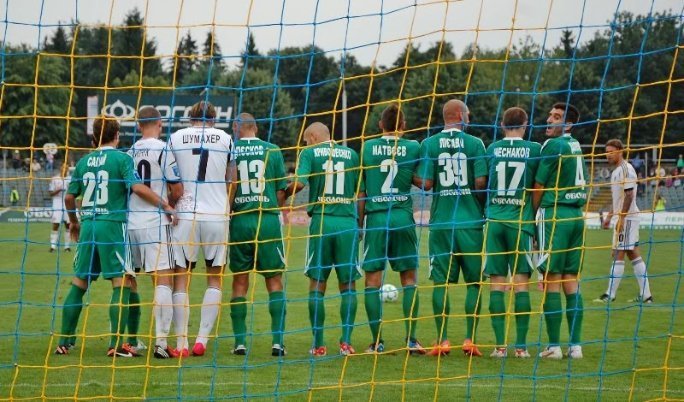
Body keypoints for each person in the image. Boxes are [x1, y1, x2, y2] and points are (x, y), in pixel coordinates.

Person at [55, 115, 177, 357]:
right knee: (122, 283)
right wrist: (165, 205)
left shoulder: (84, 162)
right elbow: (137, 187)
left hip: (88, 225)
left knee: (79, 283)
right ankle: (117, 344)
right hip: (112, 226)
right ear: (117, 135)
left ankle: (64, 341)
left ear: (94, 137)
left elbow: (69, 197)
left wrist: (74, 222)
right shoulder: (122, 158)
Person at [414, 99, 487, 357]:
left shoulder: (429, 144)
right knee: (474, 283)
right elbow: (481, 182)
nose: (470, 117)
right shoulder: (476, 143)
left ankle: (443, 340)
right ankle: (469, 340)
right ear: (459, 114)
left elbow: (426, 183)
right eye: (468, 113)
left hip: (442, 223)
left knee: (440, 283)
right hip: (470, 223)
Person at [285, 122, 364, 356]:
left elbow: (299, 183)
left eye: (306, 140)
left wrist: (281, 192)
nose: (305, 144)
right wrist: (360, 224)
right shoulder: (351, 154)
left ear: (313, 136)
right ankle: (346, 342)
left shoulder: (309, 153)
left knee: (317, 284)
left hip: (322, 222)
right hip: (347, 222)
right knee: (348, 285)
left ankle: (319, 344)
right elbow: (360, 192)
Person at [168, 100, 235, 357]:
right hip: (216, 214)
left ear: (190, 118)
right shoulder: (226, 139)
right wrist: (227, 207)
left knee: (181, 278)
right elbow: (232, 178)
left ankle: (182, 343)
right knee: (215, 277)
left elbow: (170, 178)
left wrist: (170, 204)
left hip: (186, 213)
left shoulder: (175, 138)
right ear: (214, 119)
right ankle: (202, 340)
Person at [360, 104, 425, 354]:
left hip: (377, 218)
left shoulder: (367, 147)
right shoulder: (414, 147)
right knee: (409, 279)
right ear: (404, 125)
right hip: (402, 217)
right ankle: (412, 340)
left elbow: (361, 192)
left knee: (372, 281)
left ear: (380, 125)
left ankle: (377, 342)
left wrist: (359, 225)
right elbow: (421, 180)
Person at [228, 113, 288, 357]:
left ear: (236, 127)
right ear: (256, 127)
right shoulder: (273, 150)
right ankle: (278, 343)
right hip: (267, 220)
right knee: (274, 280)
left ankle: (240, 342)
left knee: (240, 281)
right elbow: (282, 190)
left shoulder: (231, 150)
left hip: (241, 220)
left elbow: (229, 186)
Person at [127, 106, 184, 358]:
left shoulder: (129, 153)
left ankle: (127, 339)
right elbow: (177, 189)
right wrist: (169, 205)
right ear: (160, 124)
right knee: (163, 280)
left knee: (128, 281)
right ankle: (161, 342)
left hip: (131, 223)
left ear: (139, 126)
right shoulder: (164, 149)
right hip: (155, 223)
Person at [484, 107, 541, 358]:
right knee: (521, 285)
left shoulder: (492, 149)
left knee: (496, 284)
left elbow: (483, 183)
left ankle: (499, 347)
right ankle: (521, 347)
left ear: (502, 124)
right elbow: (539, 186)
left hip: (495, 222)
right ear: (525, 124)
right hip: (520, 223)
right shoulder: (534, 149)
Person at [533, 102, 588, 359]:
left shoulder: (553, 145)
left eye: (556, 117)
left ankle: (554, 346)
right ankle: (575, 346)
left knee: (551, 280)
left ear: (568, 124)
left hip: (555, 215)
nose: (549, 120)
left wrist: (531, 217)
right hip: (577, 216)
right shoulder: (575, 145)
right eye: (550, 115)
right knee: (572, 280)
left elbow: (538, 185)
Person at [594, 139, 653, 304]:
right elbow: (619, 199)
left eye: (611, 152)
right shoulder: (616, 171)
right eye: (606, 152)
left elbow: (629, 195)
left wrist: (621, 218)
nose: (608, 155)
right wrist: (609, 216)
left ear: (620, 151)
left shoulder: (626, 169)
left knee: (618, 253)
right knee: (632, 253)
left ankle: (610, 295)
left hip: (627, 218)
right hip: (625, 218)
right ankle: (646, 295)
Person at [48, 163, 72, 252]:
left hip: (67, 202)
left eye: (66, 168)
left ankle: (67, 247)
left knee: (68, 225)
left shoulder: (71, 179)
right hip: (57, 203)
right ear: (60, 169)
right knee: (56, 224)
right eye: (63, 168)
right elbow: (50, 193)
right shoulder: (55, 179)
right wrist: (58, 190)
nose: (65, 170)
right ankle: (53, 246)